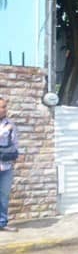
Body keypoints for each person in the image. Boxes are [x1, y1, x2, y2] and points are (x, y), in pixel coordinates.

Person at [0, 97, 19, 232]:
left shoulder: (10, 124)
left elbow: (15, 143)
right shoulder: (7, 126)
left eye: (5, 106)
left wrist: (15, 158)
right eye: (2, 107)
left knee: (4, 195)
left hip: (6, 166)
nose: (4, 109)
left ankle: (2, 223)